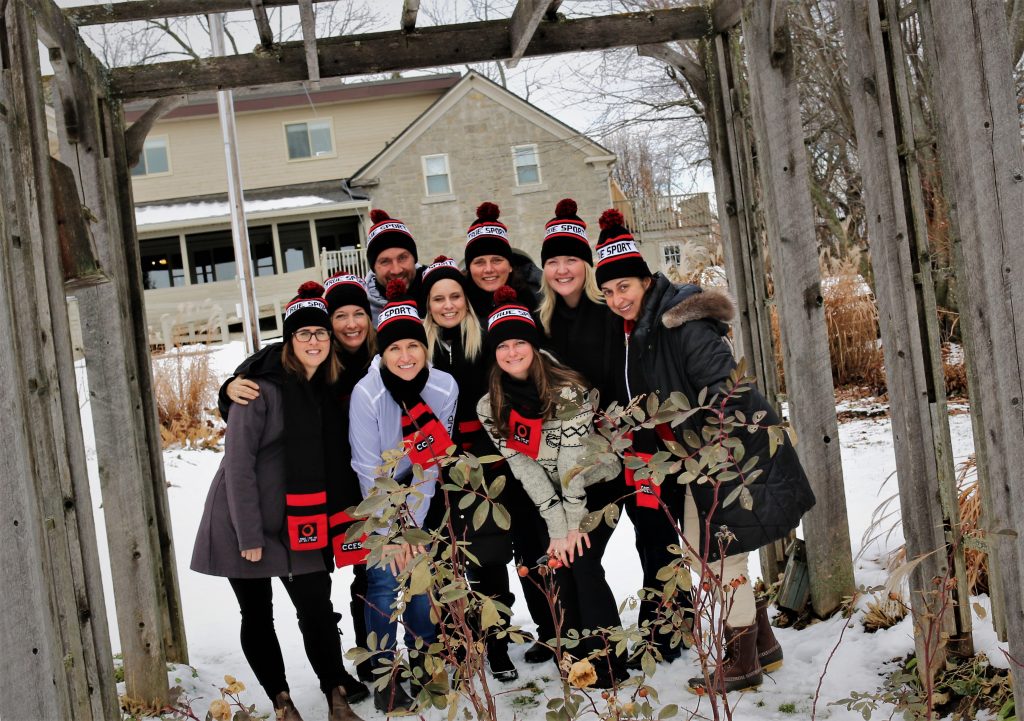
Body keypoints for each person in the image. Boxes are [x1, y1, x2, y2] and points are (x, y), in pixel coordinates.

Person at [594, 208, 816, 694]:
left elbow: (725, 393)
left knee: (719, 556)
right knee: (708, 553)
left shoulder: (684, 323)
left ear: (646, 280)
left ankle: (740, 663)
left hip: (730, 451)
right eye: (607, 292)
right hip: (696, 460)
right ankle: (763, 644)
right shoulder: (640, 331)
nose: (616, 299)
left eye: (623, 287)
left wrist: (707, 453)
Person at [191, 283, 364, 721]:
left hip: (302, 520)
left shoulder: (326, 387)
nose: (314, 341)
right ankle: (281, 700)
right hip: (244, 519)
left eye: (320, 334)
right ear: (288, 341)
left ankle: (334, 693)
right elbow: (239, 464)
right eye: (303, 334)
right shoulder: (258, 389)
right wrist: (249, 533)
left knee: (316, 608)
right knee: (257, 613)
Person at [537, 199, 692, 668]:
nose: (562, 269)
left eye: (571, 259)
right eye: (553, 261)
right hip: (586, 460)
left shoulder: (613, 313)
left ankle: (666, 632)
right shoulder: (539, 321)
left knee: (657, 538)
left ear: (586, 265)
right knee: (583, 550)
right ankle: (594, 639)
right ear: (544, 269)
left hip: (635, 447)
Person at [476, 286, 626, 689]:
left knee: (582, 560)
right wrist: (556, 527)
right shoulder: (491, 405)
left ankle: (609, 664)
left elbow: (572, 465)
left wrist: (569, 529)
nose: (511, 352)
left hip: (594, 485)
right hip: (551, 495)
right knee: (556, 564)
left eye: (519, 342)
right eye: (502, 345)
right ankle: (576, 660)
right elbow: (524, 468)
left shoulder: (567, 390)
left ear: (532, 344)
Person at [348, 279, 458, 714]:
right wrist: (391, 534)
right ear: (382, 353)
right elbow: (368, 470)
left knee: (420, 583)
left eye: (413, 345)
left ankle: (425, 667)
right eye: (395, 349)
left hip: (422, 498)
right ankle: (384, 675)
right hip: (378, 503)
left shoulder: (445, 388)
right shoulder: (367, 393)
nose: (406, 356)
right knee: (383, 580)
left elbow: (432, 460)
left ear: (425, 347)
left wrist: (412, 531)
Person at [419, 255, 521, 682]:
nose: (447, 305)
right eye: (438, 298)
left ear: (466, 298)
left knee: (490, 556)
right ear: (428, 304)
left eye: (455, 296)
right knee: (444, 557)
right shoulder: (418, 346)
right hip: (434, 463)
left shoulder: (484, 340)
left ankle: (496, 642)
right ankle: (459, 643)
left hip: (483, 462)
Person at [463, 201, 541, 324]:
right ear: (469, 269)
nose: (488, 269)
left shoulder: (540, 301)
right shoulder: (457, 306)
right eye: (479, 262)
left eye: (497, 260)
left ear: (510, 265)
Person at [361, 208, 422, 322]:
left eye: (402, 258)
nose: (396, 270)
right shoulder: (362, 310)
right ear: (373, 268)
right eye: (385, 261)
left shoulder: (438, 292)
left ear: (414, 258)